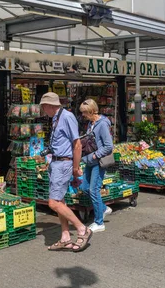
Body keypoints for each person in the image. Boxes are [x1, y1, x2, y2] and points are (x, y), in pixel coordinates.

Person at [40, 92, 93, 252]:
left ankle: (82, 228)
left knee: (53, 203)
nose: (43, 110)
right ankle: (65, 237)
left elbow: (77, 144)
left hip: (63, 163)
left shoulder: (67, 117)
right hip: (57, 162)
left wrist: (75, 168)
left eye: (43, 107)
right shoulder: (56, 118)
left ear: (49, 105)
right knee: (60, 201)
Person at [79, 99, 114, 233]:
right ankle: (103, 208)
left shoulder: (102, 125)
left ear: (91, 111)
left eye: (84, 113)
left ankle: (99, 222)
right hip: (89, 161)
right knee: (84, 187)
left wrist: (96, 155)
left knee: (94, 189)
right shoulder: (91, 123)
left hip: (98, 162)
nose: (83, 115)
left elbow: (109, 146)